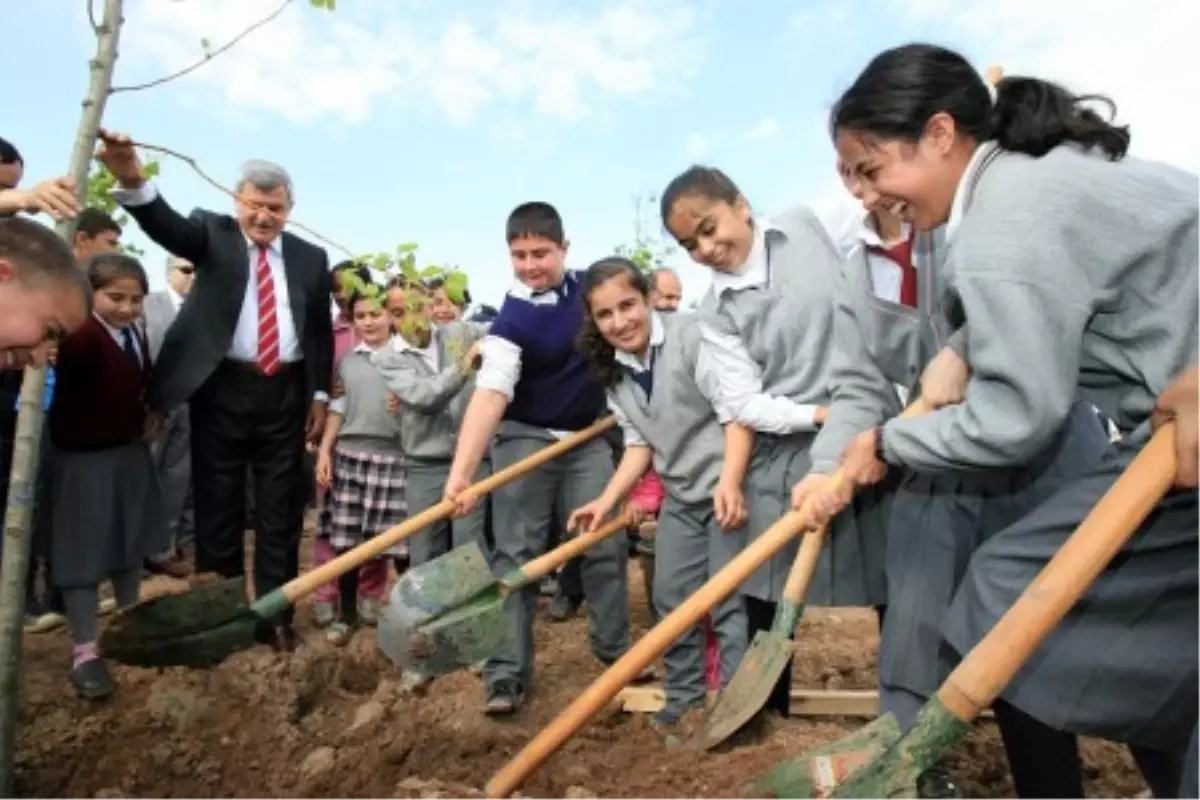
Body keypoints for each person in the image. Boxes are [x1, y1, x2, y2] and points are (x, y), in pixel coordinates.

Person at [821, 43, 1198, 799]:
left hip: (1177, 435)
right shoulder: (1026, 181)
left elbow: (1019, 418)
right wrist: (963, 346)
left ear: (937, 134)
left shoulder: (1000, 220)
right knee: (1143, 624)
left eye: (872, 167)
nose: (869, 194)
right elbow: (1069, 280)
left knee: (1008, 583)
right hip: (1176, 434)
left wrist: (889, 443)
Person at [659, 167, 880, 725]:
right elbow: (745, 404)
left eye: (710, 229)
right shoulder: (715, 315)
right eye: (691, 245)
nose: (707, 250)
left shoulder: (817, 223)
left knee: (894, 578)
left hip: (876, 429)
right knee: (763, 584)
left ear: (742, 205)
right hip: (787, 446)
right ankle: (762, 713)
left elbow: (892, 234)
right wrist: (822, 414)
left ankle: (902, 710)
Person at [100, 130, 334, 652]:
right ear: (238, 202)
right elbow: (168, 229)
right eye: (254, 205)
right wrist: (132, 179)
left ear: (289, 209)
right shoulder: (213, 234)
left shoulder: (309, 259)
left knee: (279, 516)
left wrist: (319, 396)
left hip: (284, 396)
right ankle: (224, 618)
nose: (264, 217)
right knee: (217, 509)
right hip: (221, 391)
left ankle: (275, 617)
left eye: (274, 208)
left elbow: (318, 332)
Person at [443, 201, 638, 715]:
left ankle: (616, 654)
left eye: (541, 253)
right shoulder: (510, 320)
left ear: (564, 249)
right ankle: (506, 674)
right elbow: (491, 395)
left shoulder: (590, 294)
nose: (531, 264)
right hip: (525, 437)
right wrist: (462, 474)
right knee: (518, 558)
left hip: (586, 437)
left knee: (604, 542)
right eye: (519, 255)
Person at [569, 257, 751, 736]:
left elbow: (735, 415)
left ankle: (736, 709)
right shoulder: (613, 369)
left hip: (725, 487)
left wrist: (731, 482)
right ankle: (687, 699)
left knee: (727, 599)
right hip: (682, 495)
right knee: (671, 596)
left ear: (649, 298)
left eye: (628, 306)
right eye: (605, 314)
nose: (619, 322)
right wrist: (607, 500)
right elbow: (638, 441)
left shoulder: (691, 337)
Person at [46, 253, 165, 699]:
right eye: (115, 298)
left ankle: (128, 624)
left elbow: (142, 383)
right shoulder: (78, 337)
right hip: (84, 460)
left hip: (128, 455)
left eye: (135, 300)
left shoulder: (135, 332)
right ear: (90, 294)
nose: (126, 308)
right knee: (82, 553)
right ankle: (84, 648)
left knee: (127, 544)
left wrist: (152, 411)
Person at [314, 290, 408, 647]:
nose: (369, 322)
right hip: (350, 456)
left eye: (376, 314)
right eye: (361, 316)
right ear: (352, 321)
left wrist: (406, 403)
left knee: (399, 546)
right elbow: (337, 409)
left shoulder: (407, 358)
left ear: (391, 316)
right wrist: (325, 452)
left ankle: (413, 619)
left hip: (393, 458)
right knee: (347, 543)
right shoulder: (349, 363)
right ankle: (347, 615)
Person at [310, 260, 388, 629]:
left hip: (384, 443)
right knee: (333, 524)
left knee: (377, 526)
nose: (341, 294)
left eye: (349, 286)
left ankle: (370, 593)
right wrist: (320, 438)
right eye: (335, 288)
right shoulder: (329, 332)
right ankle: (326, 592)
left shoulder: (391, 335)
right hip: (339, 438)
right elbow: (328, 390)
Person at [143, 256, 196, 579]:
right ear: (168, 272)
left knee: (177, 479)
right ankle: (135, 553)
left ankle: (163, 548)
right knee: (145, 475)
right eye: (186, 271)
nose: (193, 277)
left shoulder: (202, 311)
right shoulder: (148, 305)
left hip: (190, 406)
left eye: (198, 271)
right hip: (153, 407)